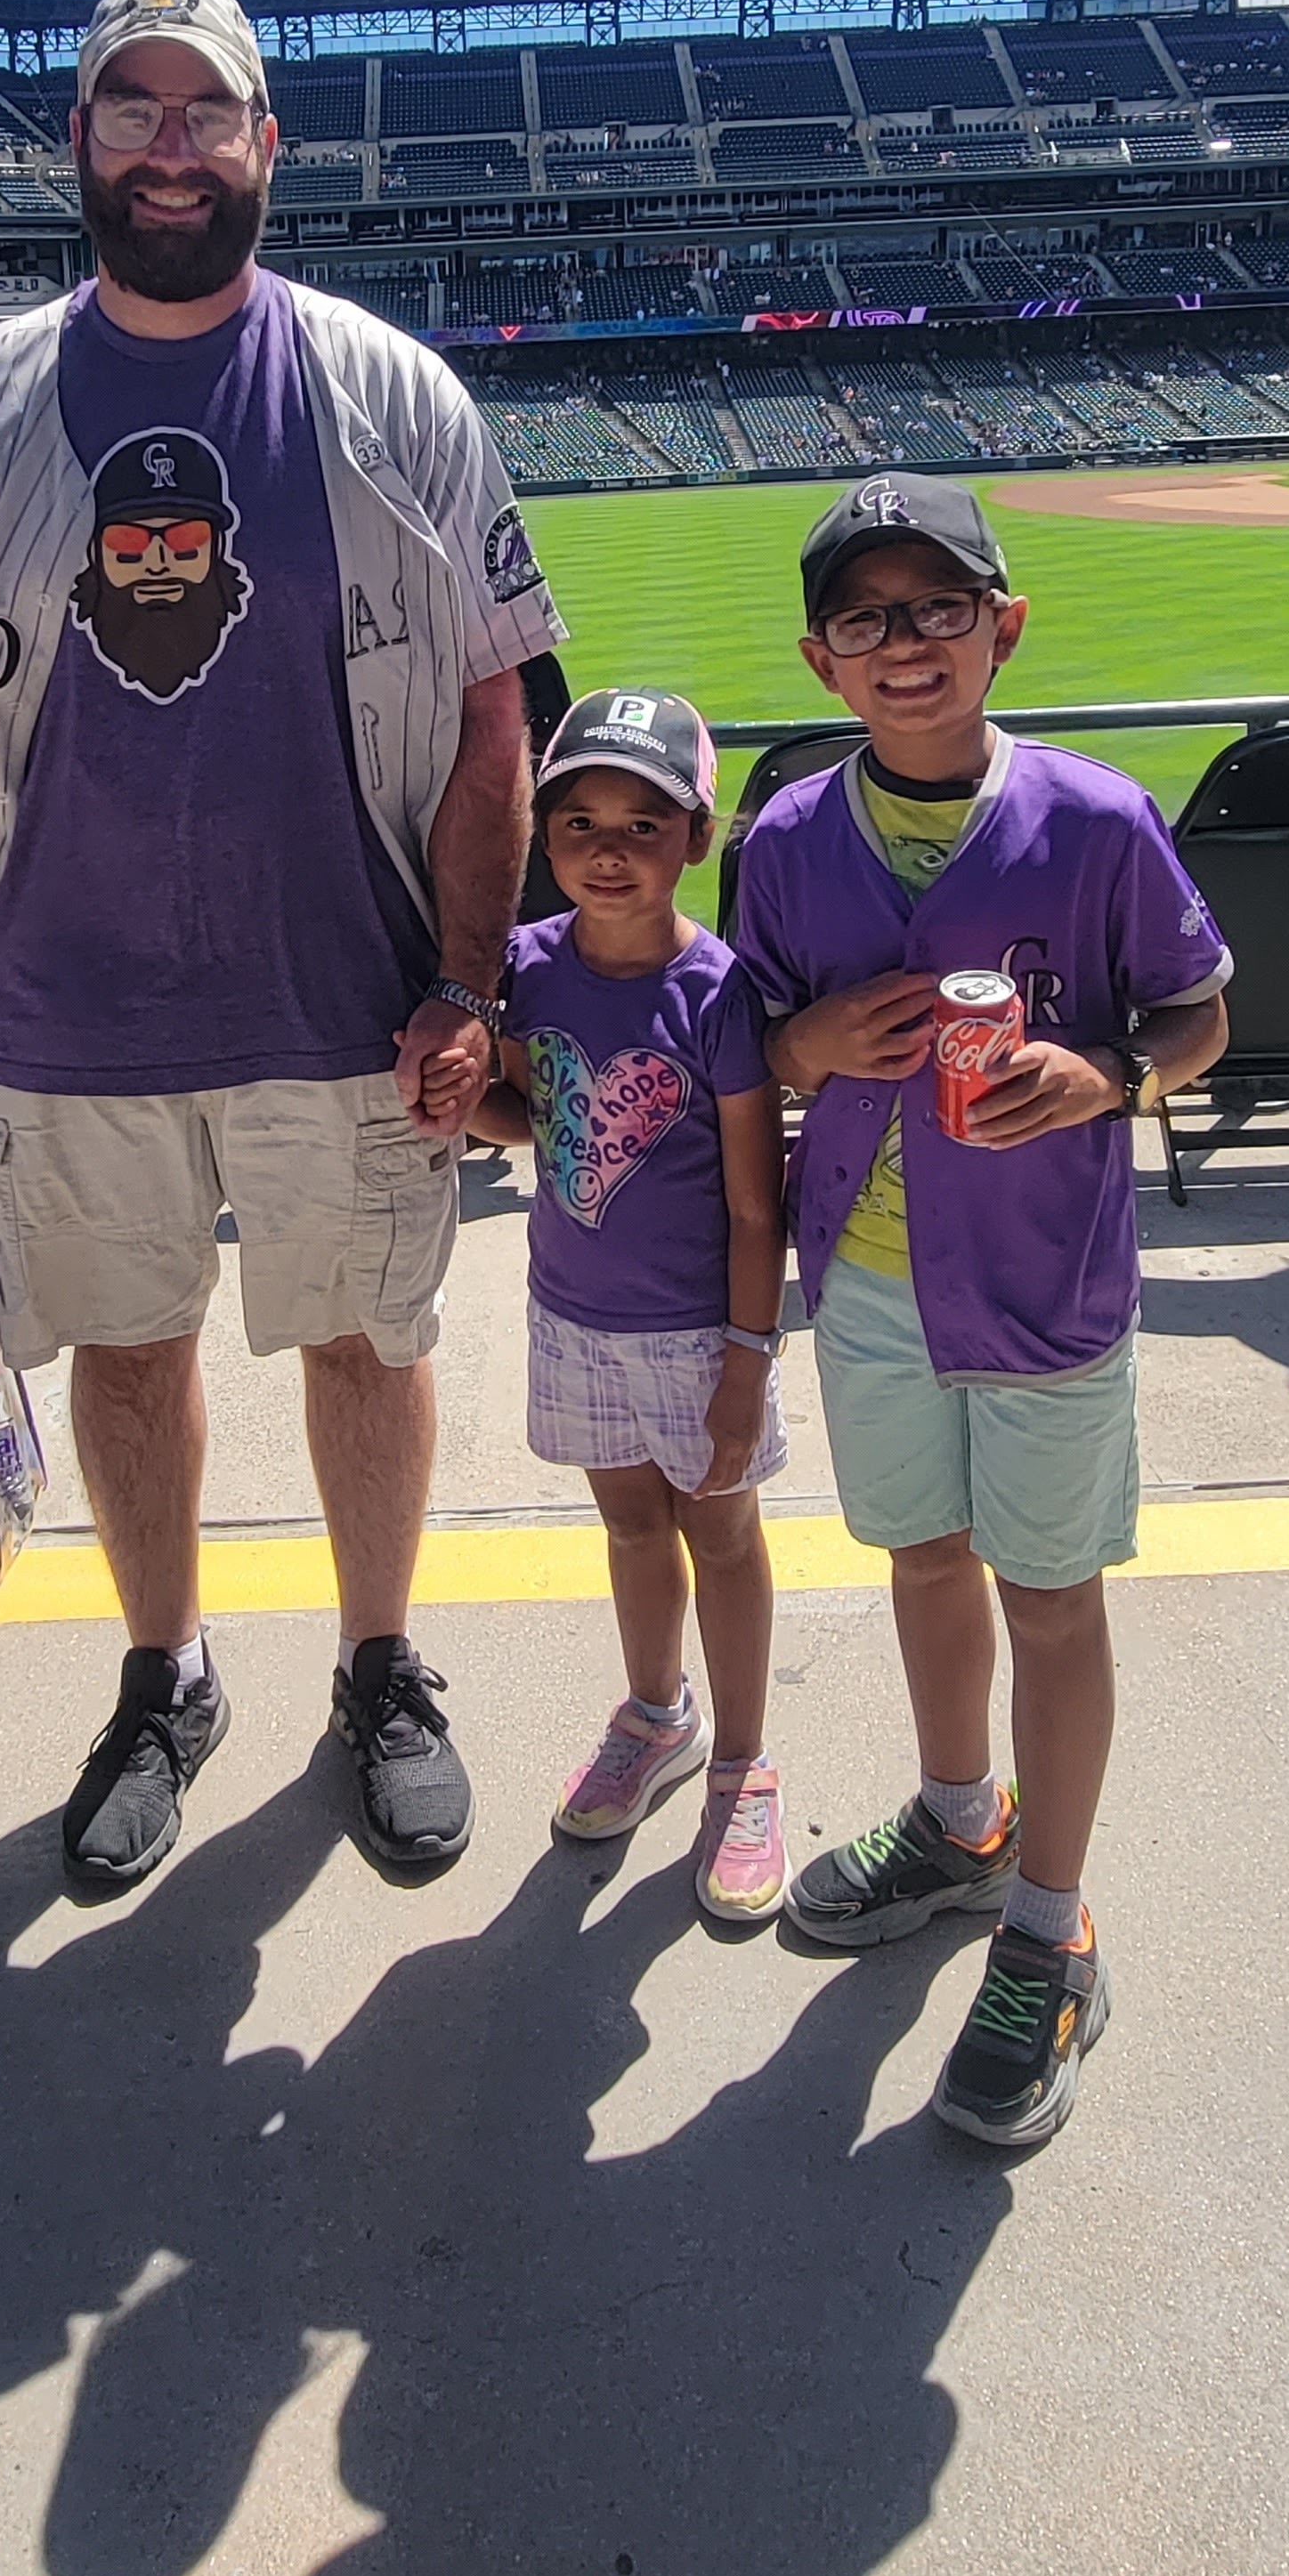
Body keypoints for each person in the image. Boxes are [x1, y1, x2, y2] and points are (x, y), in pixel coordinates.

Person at [0, 0, 564, 1892]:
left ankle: (381, 1666)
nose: (171, 146)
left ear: (264, 145)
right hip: (63, 1009)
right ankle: (167, 1676)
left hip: (348, 995)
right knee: (128, 1354)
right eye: (133, 108)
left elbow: (494, 710)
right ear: (79, 141)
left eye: (205, 110)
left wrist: (468, 984)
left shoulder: (393, 393)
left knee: (364, 1345)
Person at [734, 474, 1231, 2141]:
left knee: (1053, 1596)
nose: (906, 642)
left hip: (1042, 1282)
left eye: (939, 607)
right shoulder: (788, 841)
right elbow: (754, 1043)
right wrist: (807, 1046)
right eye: (866, 618)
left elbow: (1200, 1012)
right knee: (924, 1558)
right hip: (872, 1285)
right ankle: (962, 1821)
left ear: (1001, 628)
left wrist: (1110, 1077)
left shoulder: (1095, 820)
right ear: (822, 660)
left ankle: (1052, 1924)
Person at [474, 687, 790, 1924]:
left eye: (644, 826)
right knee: (629, 1527)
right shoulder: (525, 967)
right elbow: (538, 1116)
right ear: (543, 837)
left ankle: (743, 1762)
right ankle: (658, 1716)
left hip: (701, 1333)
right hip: (572, 1315)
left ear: (697, 840)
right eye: (579, 824)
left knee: (724, 1534)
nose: (607, 852)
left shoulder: (717, 994)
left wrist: (748, 1362)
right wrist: (457, 1104)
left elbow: (756, 1205)